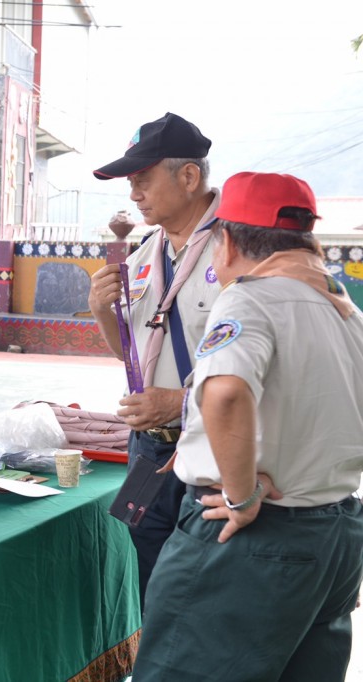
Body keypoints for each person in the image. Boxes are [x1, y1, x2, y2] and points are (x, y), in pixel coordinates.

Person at [132, 172, 363, 680]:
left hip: (250, 540)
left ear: (228, 240)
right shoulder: (346, 311)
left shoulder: (250, 298)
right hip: (335, 535)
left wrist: (240, 495)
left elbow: (225, 391)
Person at [87, 112, 223, 606]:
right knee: (150, 581)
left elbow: (272, 370)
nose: (133, 194)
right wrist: (104, 312)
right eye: (130, 182)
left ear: (188, 176)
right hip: (149, 452)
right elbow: (134, 356)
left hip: (213, 449)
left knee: (204, 589)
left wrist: (180, 402)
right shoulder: (147, 253)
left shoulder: (241, 248)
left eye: (143, 179)